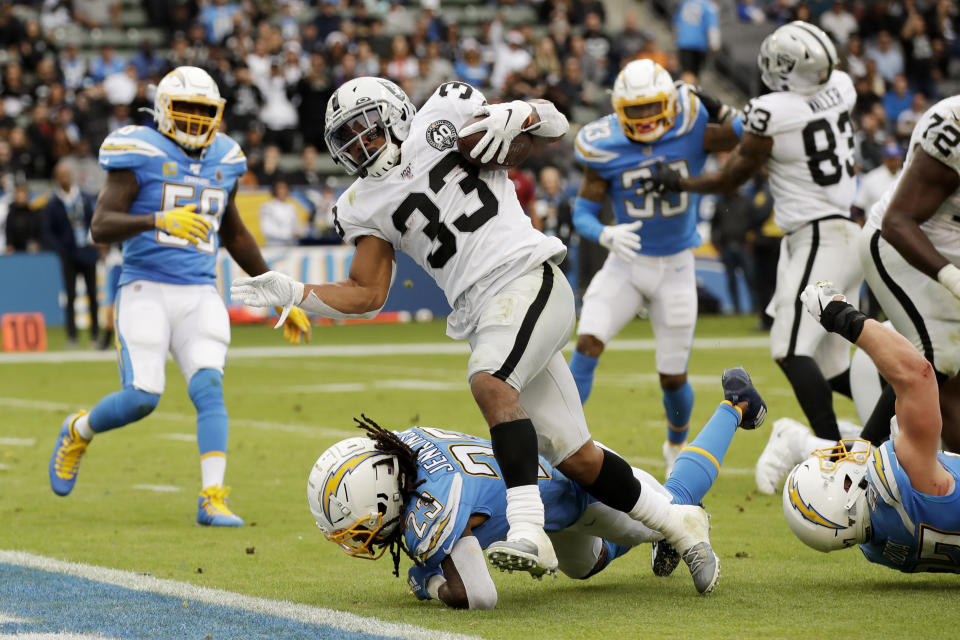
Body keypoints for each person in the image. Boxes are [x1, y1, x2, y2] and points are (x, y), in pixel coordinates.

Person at [229, 77, 754, 593]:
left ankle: (528, 529)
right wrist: (294, 292)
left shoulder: (445, 111)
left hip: (527, 276)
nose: (361, 146)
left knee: (489, 381)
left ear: (394, 115)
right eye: (349, 140)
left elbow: (554, 124)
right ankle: (681, 524)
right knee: (578, 458)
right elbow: (367, 294)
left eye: (367, 131)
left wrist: (523, 112)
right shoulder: (359, 203)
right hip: (488, 311)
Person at [47, 66, 312, 526]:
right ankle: (79, 429)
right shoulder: (141, 151)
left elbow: (235, 234)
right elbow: (100, 225)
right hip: (145, 286)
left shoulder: (225, 158)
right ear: (164, 111)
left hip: (198, 291)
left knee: (209, 389)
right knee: (143, 397)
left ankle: (212, 497)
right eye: (184, 110)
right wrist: (157, 220)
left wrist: (278, 294)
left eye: (202, 112)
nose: (193, 121)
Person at [308, 369, 766, 609]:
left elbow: (480, 595)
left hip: (580, 489)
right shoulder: (406, 447)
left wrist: (427, 582)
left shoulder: (431, 512)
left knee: (676, 505)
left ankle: (736, 404)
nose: (357, 537)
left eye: (357, 526)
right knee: (585, 567)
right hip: (542, 494)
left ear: (384, 497)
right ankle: (657, 533)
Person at [644, 22, 865, 484]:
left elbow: (732, 175)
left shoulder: (771, 111)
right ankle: (891, 419)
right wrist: (728, 110)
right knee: (828, 368)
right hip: (838, 230)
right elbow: (779, 121)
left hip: (818, 234)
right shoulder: (841, 87)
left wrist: (678, 182)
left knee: (788, 350)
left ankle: (831, 458)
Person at [567, 59, 743, 477]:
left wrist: (719, 108)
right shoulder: (603, 145)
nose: (645, 118)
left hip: (677, 267)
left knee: (672, 375)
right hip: (626, 262)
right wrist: (605, 234)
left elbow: (745, 133)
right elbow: (582, 213)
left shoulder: (691, 126)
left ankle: (675, 445)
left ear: (667, 103)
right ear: (618, 108)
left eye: (652, 107)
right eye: (636, 109)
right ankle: (563, 437)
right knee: (587, 342)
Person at [783, 281, 960, 574]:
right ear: (845, 490)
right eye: (834, 465)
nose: (842, 455)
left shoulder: (882, 549)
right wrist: (843, 317)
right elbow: (920, 374)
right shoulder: (906, 477)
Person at [857, 94, 960, 452]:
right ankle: (857, 468)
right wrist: (951, 277)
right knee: (939, 359)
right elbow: (897, 222)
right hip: (902, 246)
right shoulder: (953, 128)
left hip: (951, 245)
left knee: (952, 375)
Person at [44, 160, 100, 347]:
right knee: (70, 296)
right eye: (61, 176)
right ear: (56, 179)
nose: (65, 179)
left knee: (92, 295)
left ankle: (94, 335)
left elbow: (95, 221)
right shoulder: (53, 204)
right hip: (68, 255)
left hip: (87, 251)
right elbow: (48, 231)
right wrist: (61, 249)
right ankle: (72, 336)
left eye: (67, 175)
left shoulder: (84, 199)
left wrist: (96, 243)